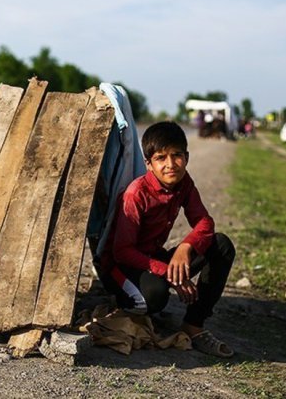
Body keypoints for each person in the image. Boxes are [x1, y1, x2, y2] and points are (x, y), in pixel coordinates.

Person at [99, 121, 236, 358]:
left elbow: (204, 222)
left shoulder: (184, 183)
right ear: (148, 164)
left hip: (153, 257)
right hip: (122, 267)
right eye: (161, 158)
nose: (170, 164)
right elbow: (122, 251)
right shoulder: (136, 193)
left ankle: (193, 326)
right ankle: (125, 302)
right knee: (154, 298)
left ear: (187, 156)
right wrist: (167, 272)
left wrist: (185, 247)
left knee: (221, 244)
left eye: (177, 155)